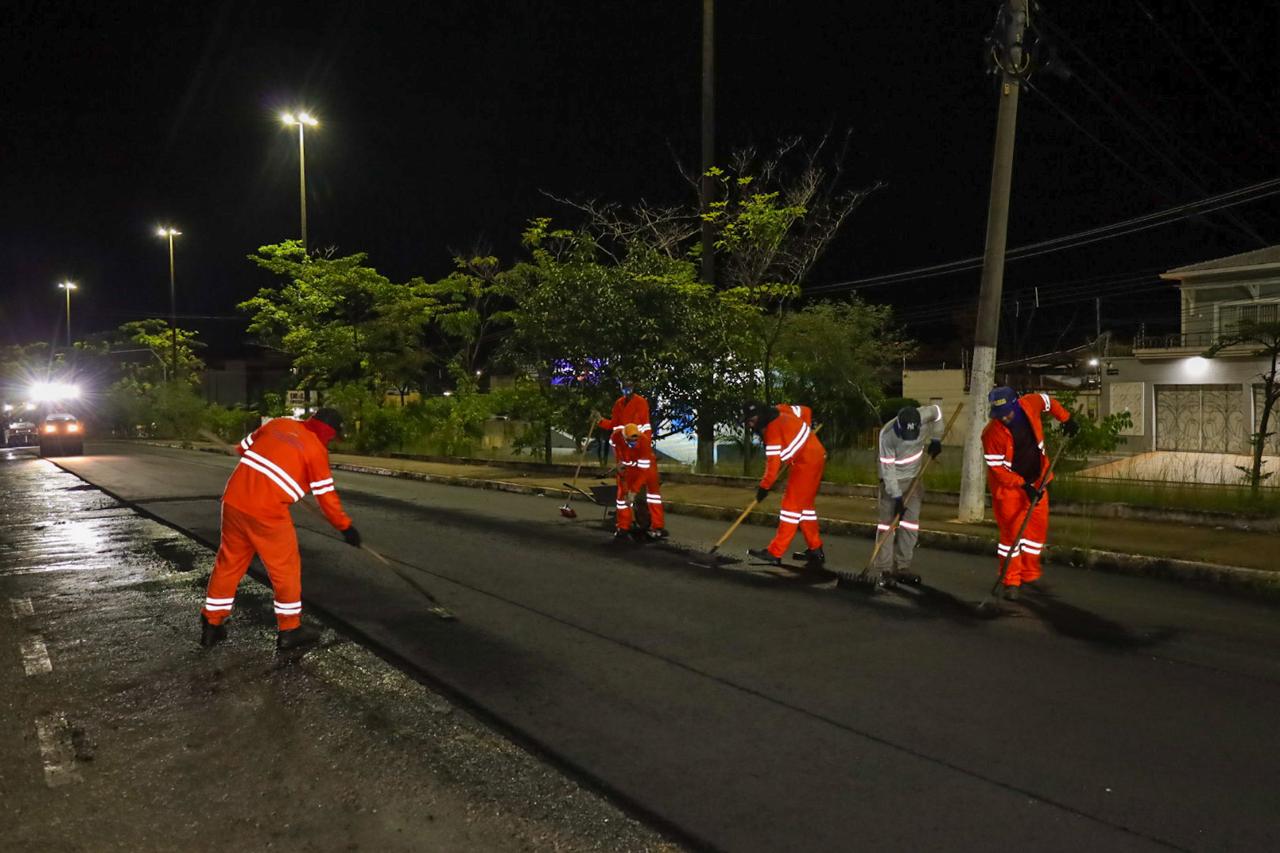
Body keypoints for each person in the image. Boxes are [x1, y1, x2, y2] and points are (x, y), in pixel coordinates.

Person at [199, 407, 362, 651]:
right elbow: (326, 497)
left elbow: (243, 448)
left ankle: (211, 625)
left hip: (234, 502)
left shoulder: (278, 424)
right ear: (329, 433)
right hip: (267, 514)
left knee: (229, 563)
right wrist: (346, 527)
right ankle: (290, 629)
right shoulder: (316, 451)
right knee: (285, 569)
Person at [982, 387, 1078, 600]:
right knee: (1011, 537)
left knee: (1035, 533)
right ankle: (1011, 581)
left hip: (1039, 480)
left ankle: (1030, 574)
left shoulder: (1030, 403)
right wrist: (1023, 485)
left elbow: (1049, 402)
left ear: (1016, 403)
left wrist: (1066, 419)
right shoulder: (991, 434)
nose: (1005, 417)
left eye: (1008, 411)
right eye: (1000, 414)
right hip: (1009, 491)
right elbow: (998, 470)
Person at [743, 402, 826, 568]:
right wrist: (805, 433)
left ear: (759, 417)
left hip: (806, 463)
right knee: (805, 508)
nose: (750, 425)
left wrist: (764, 487)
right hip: (815, 455)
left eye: (751, 421)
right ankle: (815, 548)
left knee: (791, 508)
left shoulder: (771, 432)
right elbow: (806, 410)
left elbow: (773, 467)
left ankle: (775, 552)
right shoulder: (781, 409)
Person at [873, 404, 943, 586]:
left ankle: (903, 567)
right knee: (887, 527)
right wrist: (896, 498)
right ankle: (885, 570)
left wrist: (936, 438)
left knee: (910, 526)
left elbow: (937, 411)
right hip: (892, 482)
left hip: (914, 479)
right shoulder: (887, 435)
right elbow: (888, 471)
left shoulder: (924, 415)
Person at [611, 423, 667, 540]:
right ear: (624, 437)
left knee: (653, 497)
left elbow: (643, 472)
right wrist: (619, 461)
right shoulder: (616, 436)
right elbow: (614, 446)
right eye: (631, 440)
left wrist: (633, 491)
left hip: (646, 468)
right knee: (622, 499)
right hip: (627, 467)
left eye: (635, 439)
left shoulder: (644, 442)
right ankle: (623, 527)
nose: (634, 442)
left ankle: (657, 527)